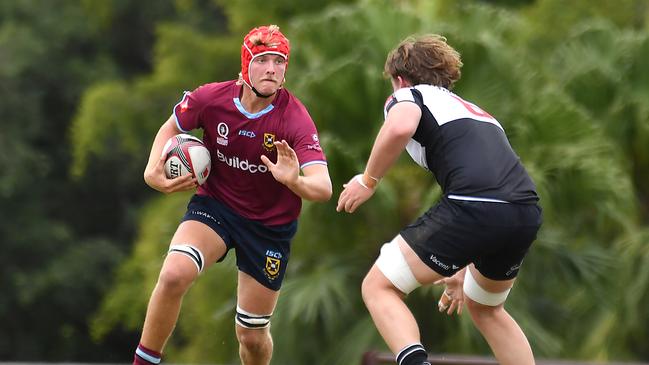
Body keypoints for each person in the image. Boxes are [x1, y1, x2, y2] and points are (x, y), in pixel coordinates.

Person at [336, 34, 542, 365]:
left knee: (378, 287)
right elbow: (494, 189)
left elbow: (400, 127)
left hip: (474, 206)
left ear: (400, 79)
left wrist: (368, 180)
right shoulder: (478, 112)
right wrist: (463, 262)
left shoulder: (408, 95)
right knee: (487, 309)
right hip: (524, 212)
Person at [135, 24, 332, 365]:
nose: (272, 68)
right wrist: (152, 170)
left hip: (268, 227)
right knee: (173, 274)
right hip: (216, 207)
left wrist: (294, 181)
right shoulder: (211, 99)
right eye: (263, 60)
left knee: (252, 338)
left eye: (280, 61)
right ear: (245, 66)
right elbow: (172, 126)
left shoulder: (294, 119)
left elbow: (324, 187)